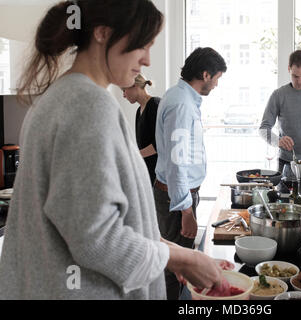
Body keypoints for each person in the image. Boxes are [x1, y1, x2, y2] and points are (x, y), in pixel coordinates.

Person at [0, 0, 226, 300]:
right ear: (103, 33)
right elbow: (97, 239)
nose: (147, 60)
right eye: (142, 45)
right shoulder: (86, 106)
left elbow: (105, 219)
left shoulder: (65, 97)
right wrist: (183, 258)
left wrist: (168, 250)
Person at [154, 47, 227, 300]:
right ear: (205, 74)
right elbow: (177, 163)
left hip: (176, 195)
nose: (216, 84)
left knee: (177, 267)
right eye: (217, 78)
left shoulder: (179, 96)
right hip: (177, 200)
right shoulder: (182, 104)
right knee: (177, 268)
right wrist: (186, 210)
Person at [123, 74, 160, 185]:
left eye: (124, 90)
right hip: (147, 173)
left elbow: (160, 143)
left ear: (134, 86)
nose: (124, 95)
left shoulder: (155, 104)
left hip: (158, 175)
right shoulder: (139, 111)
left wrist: (135, 155)